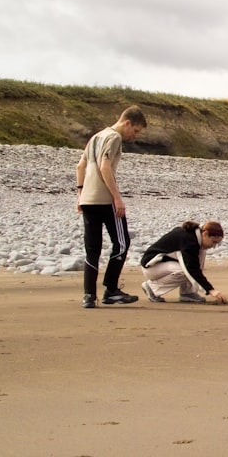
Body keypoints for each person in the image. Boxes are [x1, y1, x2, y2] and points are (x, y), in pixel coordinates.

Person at [75, 105, 147, 309]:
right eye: (136, 130)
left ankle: (89, 295)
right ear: (128, 123)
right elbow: (104, 167)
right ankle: (111, 289)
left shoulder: (95, 137)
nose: (135, 135)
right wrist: (117, 198)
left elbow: (80, 166)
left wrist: (80, 195)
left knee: (92, 249)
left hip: (88, 200)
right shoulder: (114, 138)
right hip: (105, 200)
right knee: (121, 243)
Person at [140, 221, 228, 304]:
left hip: (163, 263)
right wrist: (210, 290)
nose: (214, 246)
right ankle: (152, 287)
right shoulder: (188, 241)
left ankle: (188, 293)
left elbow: (193, 265)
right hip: (151, 267)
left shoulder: (194, 236)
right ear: (205, 234)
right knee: (185, 271)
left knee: (201, 252)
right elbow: (191, 269)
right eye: (214, 242)